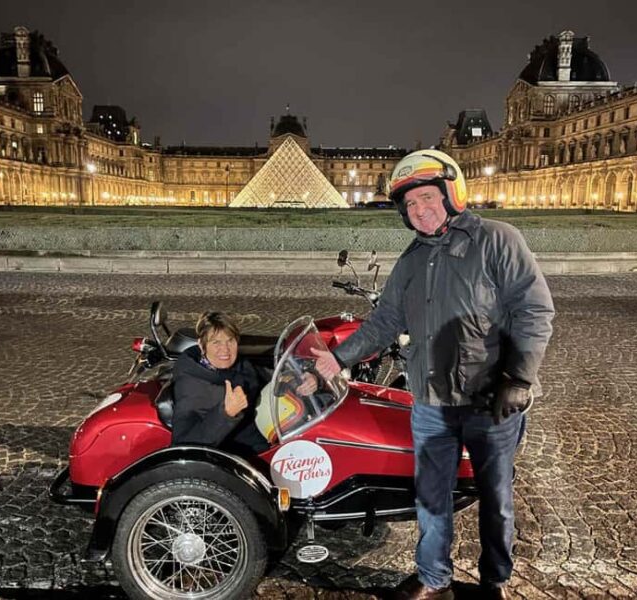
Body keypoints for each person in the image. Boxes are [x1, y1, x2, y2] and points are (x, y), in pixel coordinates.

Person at [311, 150, 554, 600]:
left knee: (496, 501)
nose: (420, 210)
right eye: (411, 206)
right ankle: (434, 579)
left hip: (491, 400)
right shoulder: (409, 262)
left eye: (426, 198)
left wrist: (519, 378)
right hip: (431, 402)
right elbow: (383, 324)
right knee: (431, 499)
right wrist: (336, 359)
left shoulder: (499, 240)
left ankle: (495, 581)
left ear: (450, 194)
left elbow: (534, 311)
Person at [171, 311, 319, 455]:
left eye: (230, 341)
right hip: (241, 456)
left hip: (270, 435)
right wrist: (226, 413)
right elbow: (183, 443)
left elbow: (271, 377)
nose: (225, 350)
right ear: (202, 346)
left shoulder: (239, 365)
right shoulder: (192, 385)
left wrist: (303, 380)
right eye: (216, 342)